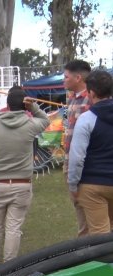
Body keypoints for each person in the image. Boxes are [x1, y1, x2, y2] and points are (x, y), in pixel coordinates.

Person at [0, 86, 50, 270]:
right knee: (13, 228)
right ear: (25, 105)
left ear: (7, 104)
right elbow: (45, 119)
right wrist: (33, 107)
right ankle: (9, 266)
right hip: (22, 185)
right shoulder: (30, 125)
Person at [68, 70, 113, 235]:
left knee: (99, 235)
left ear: (91, 92)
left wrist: (73, 184)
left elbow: (77, 157)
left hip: (93, 184)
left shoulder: (86, 119)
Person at [62, 60, 92, 237]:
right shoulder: (72, 98)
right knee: (79, 208)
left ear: (78, 77)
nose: (63, 81)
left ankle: (89, 254)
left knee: (90, 214)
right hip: (71, 163)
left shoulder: (91, 98)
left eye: (66, 77)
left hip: (86, 166)